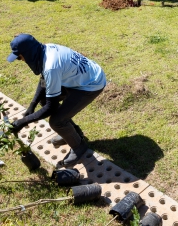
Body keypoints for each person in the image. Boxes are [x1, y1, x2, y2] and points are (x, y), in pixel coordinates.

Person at [6, 33, 106, 167]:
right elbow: (44, 79)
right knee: (44, 99)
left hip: (91, 84)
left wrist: (22, 122)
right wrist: (32, 105)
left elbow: (51, 107)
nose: (21, 60)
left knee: (57, 121)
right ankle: (75, 133)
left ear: (28, 53)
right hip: (78, 77)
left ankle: (79, 147)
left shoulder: (51, 66)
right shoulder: (45, 49)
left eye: (19, 57)